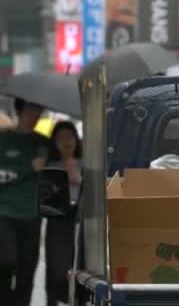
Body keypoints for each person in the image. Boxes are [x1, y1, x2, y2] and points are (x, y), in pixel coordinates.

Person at [0, 98, 48, 306]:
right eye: (31, 111)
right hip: (5, 213)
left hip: (32, 215)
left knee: (27, 269)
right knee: (5, 262)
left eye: (39, 111)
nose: (35, 116)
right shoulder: (3, 140)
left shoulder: (43, 143)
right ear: (20, 111)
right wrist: (28, 168)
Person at [45, 121, 82, 306]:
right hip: (59, 224)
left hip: (81, 223)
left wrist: (76, 178)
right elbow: (47, 203)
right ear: (55, 143)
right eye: (61, 138)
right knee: (56, 272)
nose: (66, 142)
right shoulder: (51, 166)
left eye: (70, 137)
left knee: (80, 272)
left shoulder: (87, 164)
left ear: (77, 140)